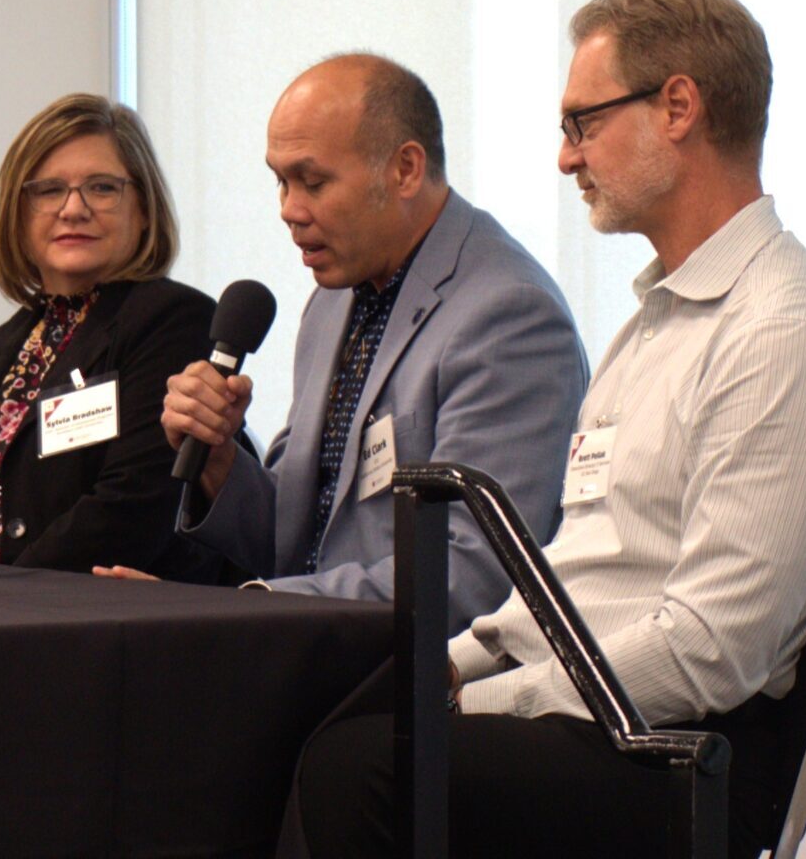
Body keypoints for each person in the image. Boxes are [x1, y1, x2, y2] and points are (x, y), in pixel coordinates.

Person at [296, 0, 806, 858]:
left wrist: (485, 699)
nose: (565, 158)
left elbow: (712, 650)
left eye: (583, 123)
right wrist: (454, 665)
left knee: (361, 771)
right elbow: (578, 573)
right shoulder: (659, 320)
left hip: (674, 751)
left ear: (678, 108)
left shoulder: (784, 336)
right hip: (594, 710)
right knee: (313, 717)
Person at [121, 54, 587, 618]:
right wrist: (219, 458)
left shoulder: (509, 313)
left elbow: (473, 574)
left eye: (313, 182)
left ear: (405, 169)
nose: (289, 210)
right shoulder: (334, 299)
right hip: (317, 646)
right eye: (280, 182)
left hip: (423, 669)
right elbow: (299, 541)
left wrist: (247, 613)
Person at [0, 93, 222, 574]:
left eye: (102, 188)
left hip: (71, 606)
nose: (73, 209)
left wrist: (2, 594)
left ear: (144, 208)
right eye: (48, 190)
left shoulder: (172, 320)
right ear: (18, 215)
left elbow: (131, 507)